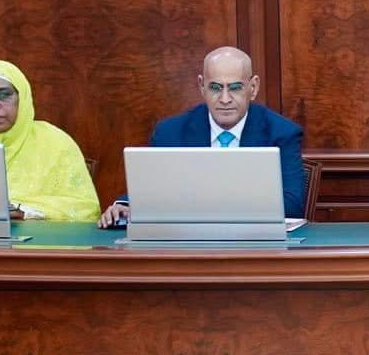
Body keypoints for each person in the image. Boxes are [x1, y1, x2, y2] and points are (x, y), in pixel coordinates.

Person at [99, 46, 305, 228]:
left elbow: (293, 204)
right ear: (201, 86)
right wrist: (124, 206)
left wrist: (206, 205)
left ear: (253, 88)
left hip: (255, 246)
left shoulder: (282, 133)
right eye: (215, 88)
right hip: (186, 246)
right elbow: (152, 193)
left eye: (235, 88)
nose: (225, 99)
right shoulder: (170, 132)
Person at [0, 60, 98, 222]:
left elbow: (87, 208)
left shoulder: (55, 141)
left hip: (36, 236)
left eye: (3, 95)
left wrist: (26, 211)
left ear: (22, 97)